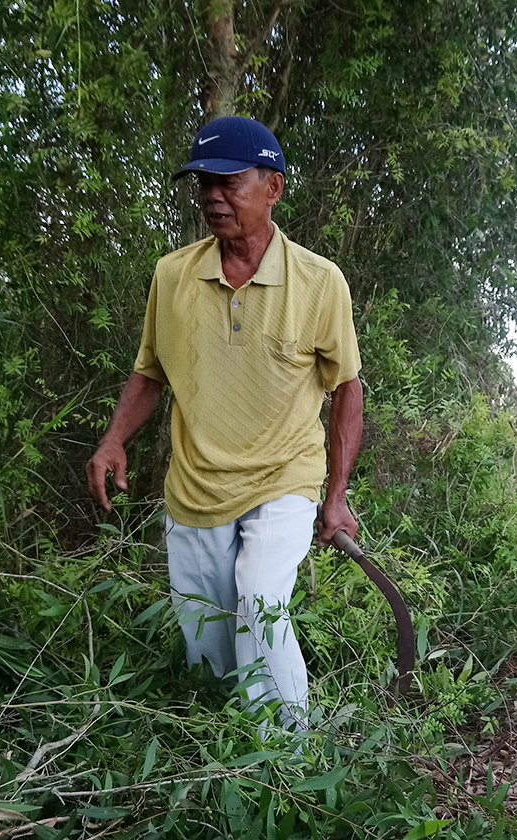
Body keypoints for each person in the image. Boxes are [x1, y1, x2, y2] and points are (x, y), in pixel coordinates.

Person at [85, 116, 363, 730]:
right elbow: (150, 371)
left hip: (284, 476)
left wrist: (336, 494)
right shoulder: (172, 275)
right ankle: (219, 752)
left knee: (261, 607)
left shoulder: (319, 282)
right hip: (196, 487)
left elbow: (347, 388)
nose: (213, 196)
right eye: (204, 183)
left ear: (273, 188)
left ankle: (289, 755)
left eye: (229, 182)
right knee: (208, 642)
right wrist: (113, 440)